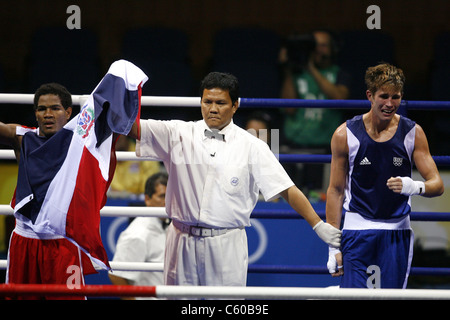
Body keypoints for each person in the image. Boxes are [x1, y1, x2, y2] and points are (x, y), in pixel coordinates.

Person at [128, 72, 341, 287]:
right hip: (180, 238)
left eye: (220, 103)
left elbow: (287, 189)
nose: (212, 108)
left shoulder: (253, 145)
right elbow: (130, 126)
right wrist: (116, 88)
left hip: (226, 242)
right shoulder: (177, 132)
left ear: (235, 105)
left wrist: (318, 225)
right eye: (207, 102)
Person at [325, 63, 444, 288]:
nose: (390, 104)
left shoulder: (412, 133)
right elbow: (336, 190)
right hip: (356, 231)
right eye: (384, 96)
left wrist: (414, 187)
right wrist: (333, 247)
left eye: (396, 97)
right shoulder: (345, 134)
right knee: (353, 298)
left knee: (390, 298)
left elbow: (437, 185)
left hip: (397, 232)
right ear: (370, 95)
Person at [0, 83, 96, 299]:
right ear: (35, 114)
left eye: (55, 108)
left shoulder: (80, 143)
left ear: (69, 112)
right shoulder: (24, 138)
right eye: (42, 109)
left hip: (63, 239)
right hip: (25, 238)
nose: (48, 114)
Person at [280, 30, 351, 194]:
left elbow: (340, 99)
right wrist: (288, 69)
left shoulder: (340, 73)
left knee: (319, 198)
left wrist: (312, 69)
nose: (318, 50)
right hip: (292, 145)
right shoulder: (296, 74)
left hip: (324, 149)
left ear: (333, 49)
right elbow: (288, 108)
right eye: (315, 46)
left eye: (323, 45)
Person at [109, 172, 169, 300]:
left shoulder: (172, 226)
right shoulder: (138, 233)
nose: (167, 202)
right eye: (162, 196)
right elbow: (116, 276)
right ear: (147, 199)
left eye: (171, 196)